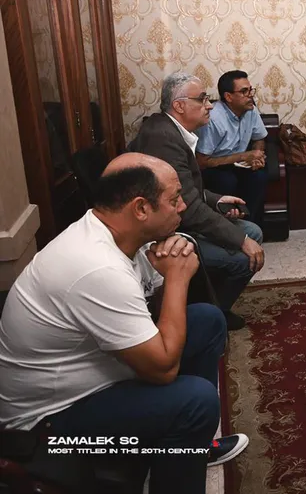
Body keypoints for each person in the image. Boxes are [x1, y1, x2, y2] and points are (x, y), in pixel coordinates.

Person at [0, 153, 249, 494]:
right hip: (48, 424)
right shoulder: (97, 267)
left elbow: (153, 301)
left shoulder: (121, 233)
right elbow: (162, 370)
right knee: (197, 400)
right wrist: (177, 279)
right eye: (174, 199)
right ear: (141, 208)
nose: (183, 207)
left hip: (91, 377)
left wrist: (176, 257)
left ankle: (191, 447)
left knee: (207, 320)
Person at [128, 72, 265, 330]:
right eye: (202, 99)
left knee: (253, 230)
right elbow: (187, 208)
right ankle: (207, 315)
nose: (210, 105)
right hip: (163, 234)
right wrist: (241, 242)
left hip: (176, 219)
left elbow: (184, 192)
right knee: (244, 256)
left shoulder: (171, 130)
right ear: (179, 106)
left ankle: (209, 300)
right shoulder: (164, 139)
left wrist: (217, 199)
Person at [195, 70, 269, 226]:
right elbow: (202, 161)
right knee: (227, 181)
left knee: (259, 177)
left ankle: (250, 226)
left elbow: (259, 138)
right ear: (228, 97)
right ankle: (228, 228)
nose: (250, 95)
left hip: (241, 165)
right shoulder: (213, 118)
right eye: (244, 91)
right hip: (215, 166)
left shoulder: (251, 110)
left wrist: (258, 156)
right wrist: (243, 156)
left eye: (251, 90)